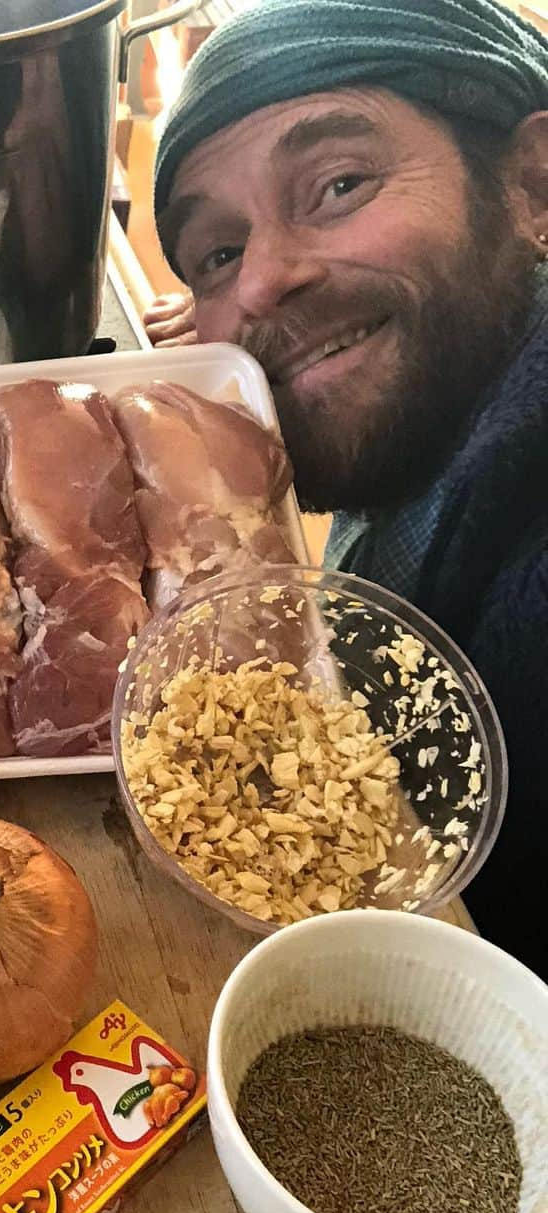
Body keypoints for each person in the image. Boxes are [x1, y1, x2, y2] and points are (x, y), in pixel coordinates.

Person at [145, 0, 548, 975]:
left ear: (534, 186)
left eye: (337, 184)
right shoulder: (439, 436)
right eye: (219, 255)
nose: (262, 284)